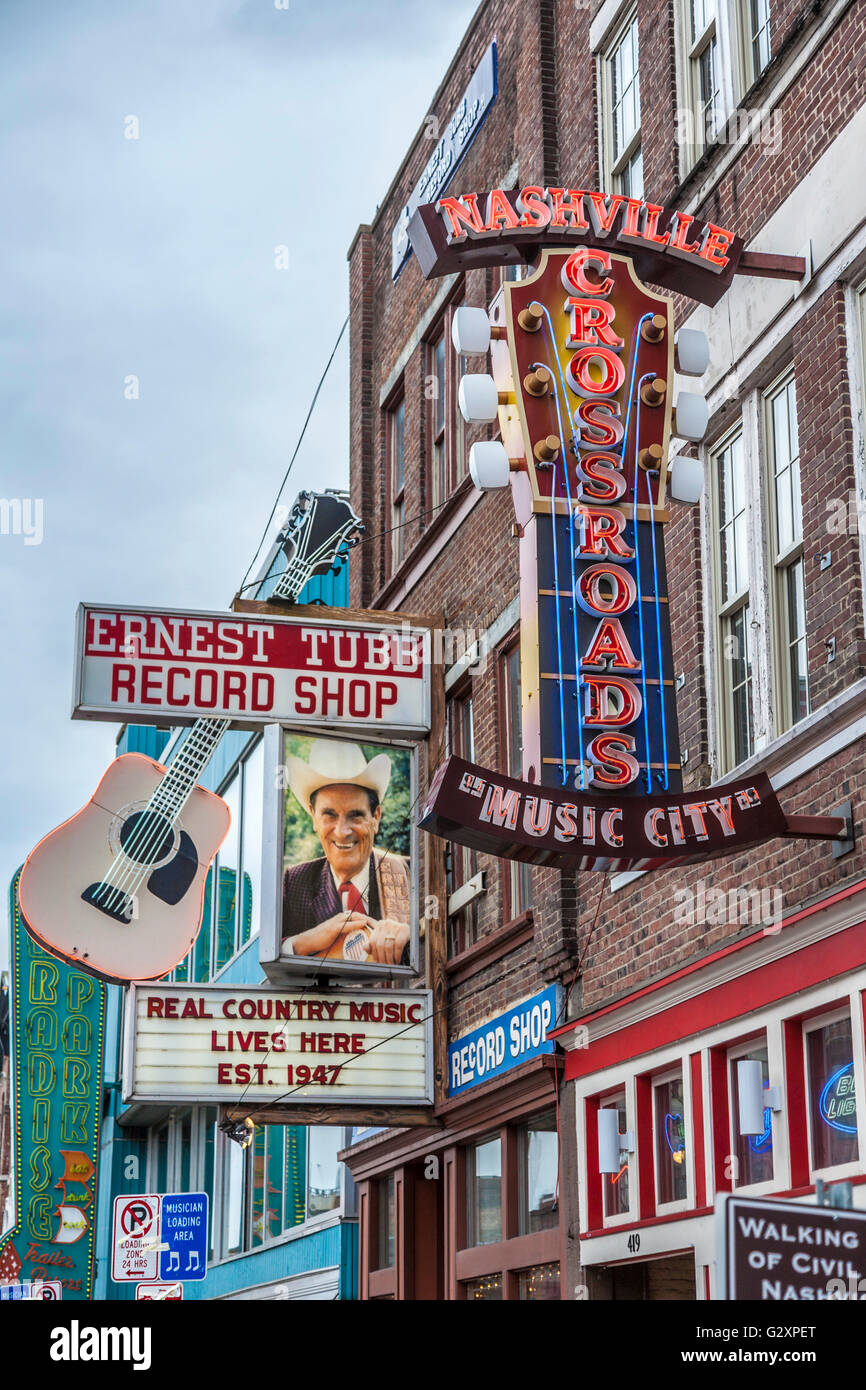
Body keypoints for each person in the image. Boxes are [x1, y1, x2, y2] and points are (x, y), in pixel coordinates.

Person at [281, 739, 411, 965]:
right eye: (329, 815)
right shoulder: (293, 883)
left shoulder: (412, 873)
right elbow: (264, 959)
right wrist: (304, 942)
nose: (342, 832)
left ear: (376, 817)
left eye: (355, 815)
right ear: (313, 817)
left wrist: (412, 935)